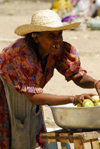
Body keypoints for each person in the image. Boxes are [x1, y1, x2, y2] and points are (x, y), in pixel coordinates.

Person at [0, 9, 100, 149]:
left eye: (60, 34)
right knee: (13, 136)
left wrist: (96, 82)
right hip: (5, 93)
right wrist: (72, 98)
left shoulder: (59, 50)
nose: (57, 40)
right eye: (51, 35)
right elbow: (34, 97)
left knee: (32, 133)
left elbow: (77, 75)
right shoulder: (23, 54)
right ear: (36, 37)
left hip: (30, 93)